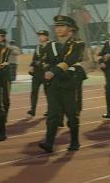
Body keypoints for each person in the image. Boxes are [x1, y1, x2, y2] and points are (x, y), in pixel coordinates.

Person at [38, 15, 85, 153]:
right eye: (57, 26)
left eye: (62, 26)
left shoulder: (77, 44)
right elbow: (44, 61)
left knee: (71, 114)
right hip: (54, 84)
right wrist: (48, 69)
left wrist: (53, 71)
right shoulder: (50, 45)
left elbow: (70, 59)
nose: (58, 29)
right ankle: (49, 143)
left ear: (70, 29)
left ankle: (75, 141)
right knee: (52, 114)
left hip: (68, 83)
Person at [27, 29, 50, 117]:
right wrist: (31, 66)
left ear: (47, 37)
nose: (40, 38)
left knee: (48, 92)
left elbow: (49, 59)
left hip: (46, 73)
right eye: (39, 36)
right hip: (37, 73)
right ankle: (32, 110)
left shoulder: (50, 47)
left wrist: (40, 63)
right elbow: (34, 59)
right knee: (34, 92)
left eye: (42, 36)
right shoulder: (38, 47)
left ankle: (49, 109)